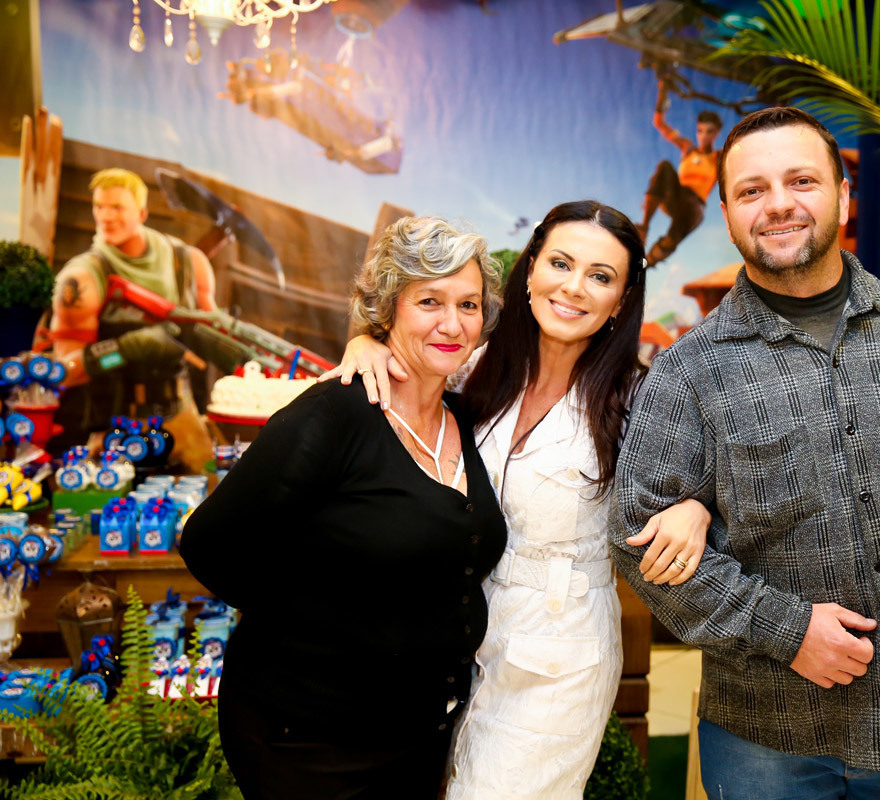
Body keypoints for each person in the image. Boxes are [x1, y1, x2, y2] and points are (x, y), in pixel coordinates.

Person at [610, 107, 880, 798]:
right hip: (766, 740)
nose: (778, 204)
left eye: (801, 181)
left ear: (844, 197)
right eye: (752, 190)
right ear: (726, 214)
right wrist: (786, 631)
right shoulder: (690, 369)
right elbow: (636, 539)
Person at [328, 201, 710, 799]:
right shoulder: (475, 368)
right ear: (530, 270)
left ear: (621, 299)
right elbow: (400, 359)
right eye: (560, 263)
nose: (574, 287)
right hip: (451, 638)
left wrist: (699, 506)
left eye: (600, 276)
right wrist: (366, 343)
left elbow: (718, 470)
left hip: (558, 656)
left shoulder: (638, 398)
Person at [181, 217, 507, 799]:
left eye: (469, 305)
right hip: (310, 740)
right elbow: (209, 545)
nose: (452, 323)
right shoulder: (333, 415)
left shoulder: (466, 419)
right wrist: (318, 625)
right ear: (388, 309)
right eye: (429, 301)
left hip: (418, 735)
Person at [38, 168, 216, 437]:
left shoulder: (189, 263)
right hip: (114, 427)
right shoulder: (82, 279)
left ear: (141, 213)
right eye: (99, 206)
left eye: (117, 207)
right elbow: (65, 373)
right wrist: (123, 351)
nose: (105, 217)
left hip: (182, 417)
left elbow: (212, 339)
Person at [640, 79, 723, 267]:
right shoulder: (688, 148)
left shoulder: (719, 157)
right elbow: (659, 123)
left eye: (709, 132)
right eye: (700, 131)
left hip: (694, 206)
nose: (703, 136)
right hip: (675, 197)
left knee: (675, 233)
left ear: (716, 133)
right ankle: (644, 227)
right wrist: (663, 92)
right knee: (665, 166)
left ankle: (647, 263)